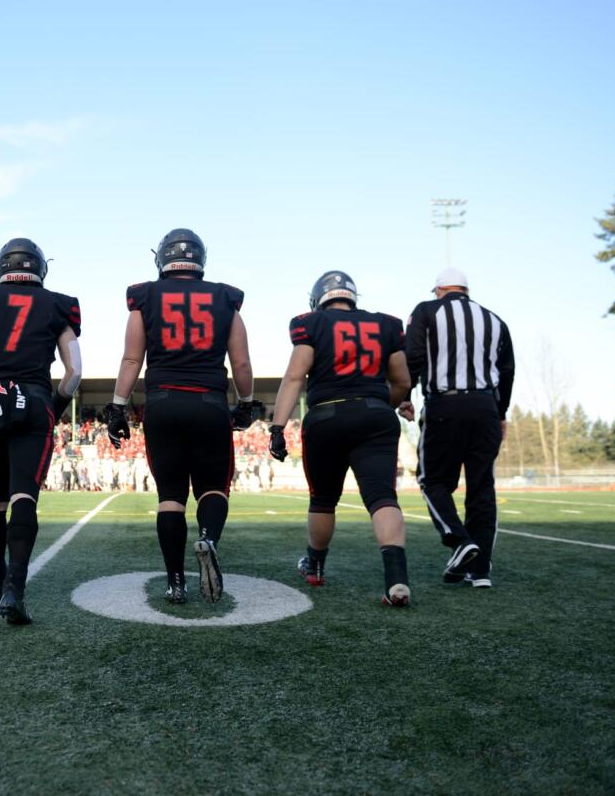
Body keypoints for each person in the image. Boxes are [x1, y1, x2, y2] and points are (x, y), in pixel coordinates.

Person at [106, 229, 261, 604]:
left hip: (162, 403)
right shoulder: (225, 298)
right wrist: (246, 403)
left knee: (170, 496)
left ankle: (176, 581)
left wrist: (117, 406)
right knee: (213, 487)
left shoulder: (145, 297)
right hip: (209, 401)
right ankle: (207, 537)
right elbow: (240, 361)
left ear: (162, 259)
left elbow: (132, 358)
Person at [268, 271, 413, 606]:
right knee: (382, 497)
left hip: (326, 417)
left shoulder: (311, 324)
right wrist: (379, 404)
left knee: (323, 499)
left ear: (319, 299)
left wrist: (277, 427)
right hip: (376, 417)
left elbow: (294, 376)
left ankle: (315, 567)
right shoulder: (386, 325)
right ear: (352, 297)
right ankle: (396, 580)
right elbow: (402, 381)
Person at [0, 238, 82, 625]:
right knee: (23, 497)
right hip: (33, 400)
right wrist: (55, 405)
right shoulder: (57, 304)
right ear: (40, 269)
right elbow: (75, 369)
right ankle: (15, 588)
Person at [400, 267, 514, 589]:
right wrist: (500, 412)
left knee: (433, 480)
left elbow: (414, 356)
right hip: (485, 409)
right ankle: (479, 572)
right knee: (481, 488)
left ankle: (459, 540)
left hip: (445, 406)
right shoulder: (494, 320)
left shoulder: (426, 311)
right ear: (466, 290)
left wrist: (406, 396)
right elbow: (507, 371)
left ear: (438, 290)